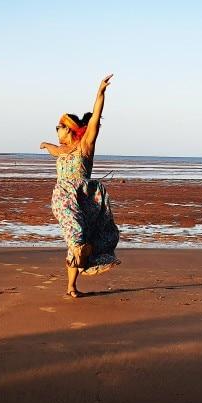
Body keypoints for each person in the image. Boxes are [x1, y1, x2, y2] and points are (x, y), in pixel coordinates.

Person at [40, 74, 121, 298]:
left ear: (69, 129)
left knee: (80, 239)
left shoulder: (85, 146)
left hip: (83, 197)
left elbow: (95, 118)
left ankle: (72, 285)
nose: (56, 130)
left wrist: (100, 93)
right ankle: (81, 254)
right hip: (63, 196)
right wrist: (47, 145)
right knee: (75, 231)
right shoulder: (62, 149)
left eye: (59, 126)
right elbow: (57, 151)